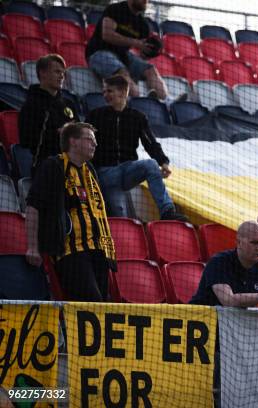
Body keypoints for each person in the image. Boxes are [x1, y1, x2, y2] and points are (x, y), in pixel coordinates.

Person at [25, 122, 116, 301]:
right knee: (92, 306)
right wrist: (32, 247)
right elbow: (33, 206)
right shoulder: (53, 166)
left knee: (104, 308)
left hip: (99, 251)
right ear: (73, 142)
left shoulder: (90, 170)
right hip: (71, 253)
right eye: (89, 139)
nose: (95, 144)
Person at [86, 75, 186, 221]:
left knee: (150, 165)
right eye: (104, 92)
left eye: (109, 91)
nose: (105, 95)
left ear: (122, 92)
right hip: (105, 174)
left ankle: (168, 211)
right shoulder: (95, 116)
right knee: (121, 219)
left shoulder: (137, 117)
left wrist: (163, 162)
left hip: (127, 171)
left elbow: (150, 143)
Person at [190, 221, 258, 310]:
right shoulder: (218, 262)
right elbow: (229, 301)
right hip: (201, 322)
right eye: (254, 243)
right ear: (239, 243)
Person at [85, 0, 168, 99]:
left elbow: (143, 53)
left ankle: (166, 102)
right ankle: (139, 100)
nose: (146, 1)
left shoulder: (142, 25)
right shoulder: (115, 9)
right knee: (122, 71)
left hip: (122, 55)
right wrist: (136, 43)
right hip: (99, 52)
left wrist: (150, 52)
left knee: (150, 69)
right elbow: (107, 35)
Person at [19, 54, 76, 173]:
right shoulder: (31, 105)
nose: (61, 76)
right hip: (46, 166)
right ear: (43, 73)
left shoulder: (68, 104)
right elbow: (26, 141)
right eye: (57, 72)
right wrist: (59, 133)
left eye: (63, 73)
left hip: (72, 164)